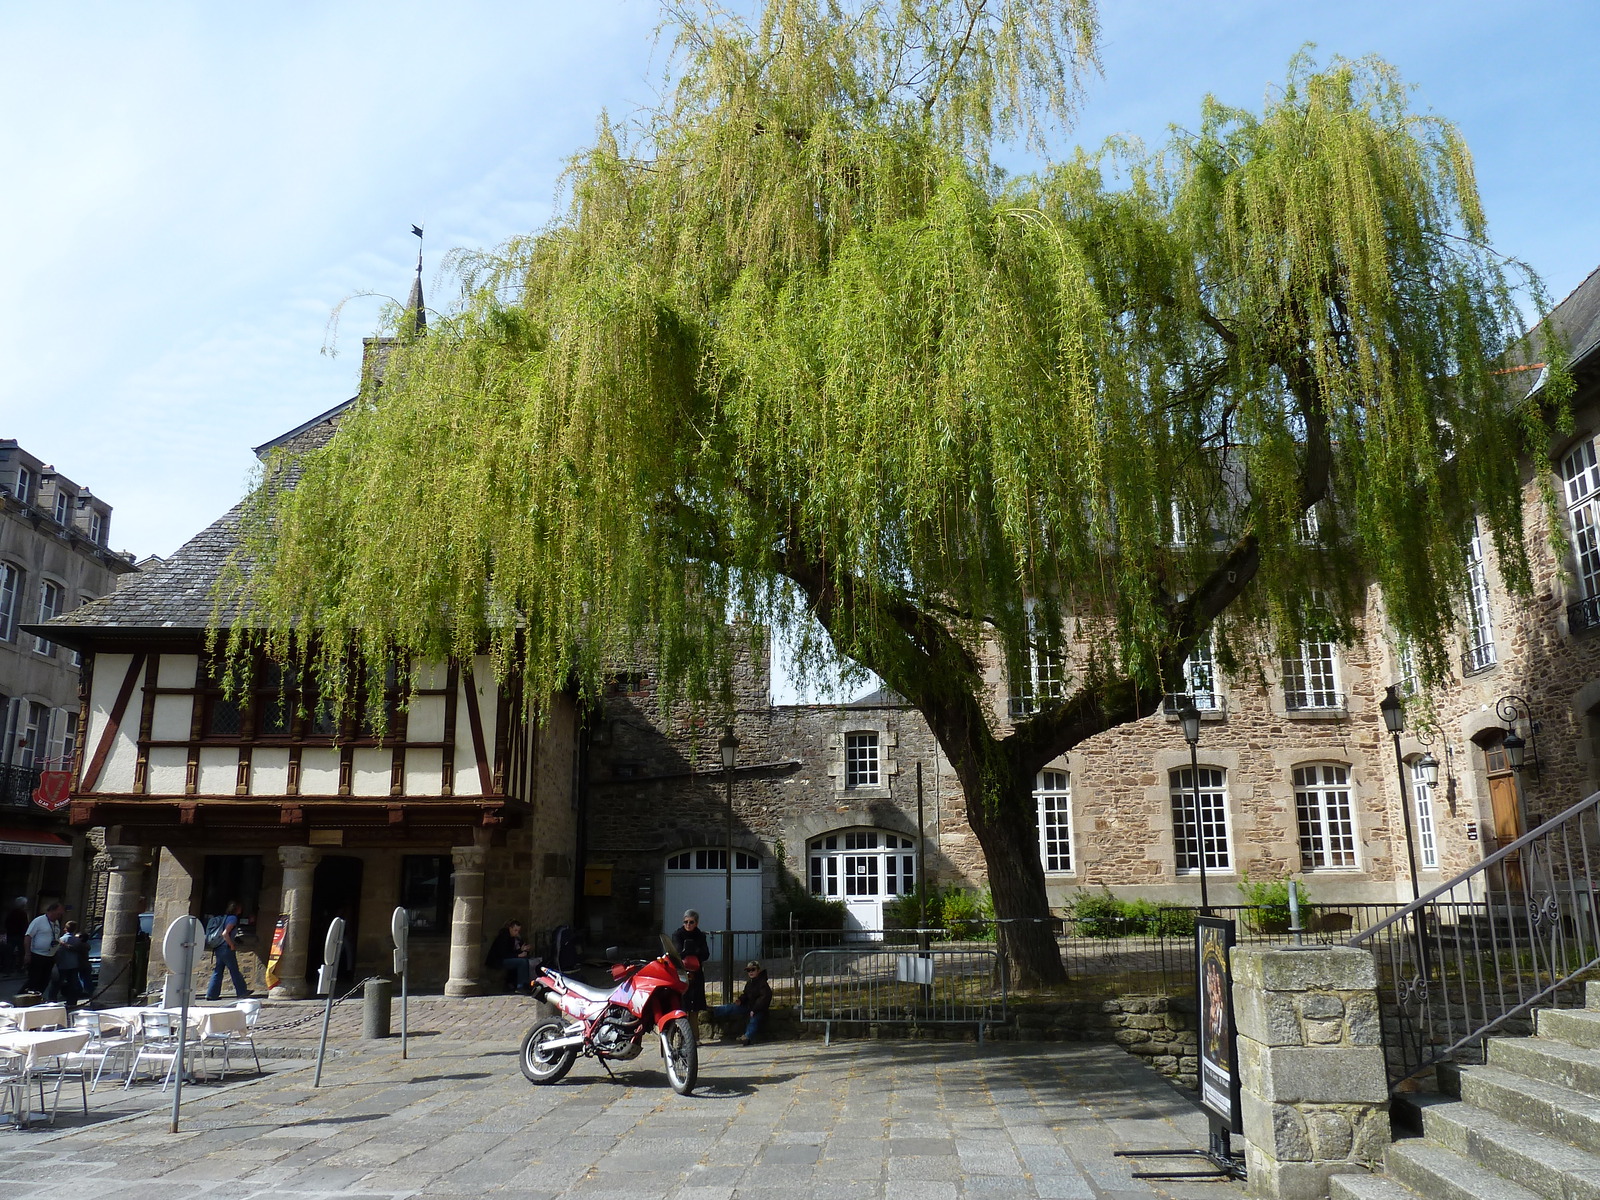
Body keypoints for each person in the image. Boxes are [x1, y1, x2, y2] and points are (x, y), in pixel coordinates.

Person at [710, 960, 772, 1046]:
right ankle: (715, 1011)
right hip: (749, 1006)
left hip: (759, 1010)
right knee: (731, 1007)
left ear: (758, 970)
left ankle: (747, 1037)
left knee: (753, 1021)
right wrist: (740, 1000)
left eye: (753, 970)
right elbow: (746, 994)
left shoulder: (762, 983)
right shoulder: (750, 982)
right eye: (748, 970)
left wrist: (754, 1009)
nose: (750, 972)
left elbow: (764, 999)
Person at [205, 900, 251, 1001]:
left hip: (218, 947)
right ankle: (242, 991)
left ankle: (212, 994)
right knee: (234, 970)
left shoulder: (225, 918)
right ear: (236, 909)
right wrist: (231, 945)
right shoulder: (233, 918)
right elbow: (225, 933)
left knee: (218, 970)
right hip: (226, 947)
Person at [670, 909, 710, 1012]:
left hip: (696, 971)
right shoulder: (678, 934)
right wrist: (689, 951)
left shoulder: (700, 935)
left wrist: (695, 951)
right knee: (682, 1001)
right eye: (686, 922)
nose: (688, 924)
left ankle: (693, 1024)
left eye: (691, 922)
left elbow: (705, 954)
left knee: (696, 1003)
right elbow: (677, 952)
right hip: (681, 971)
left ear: (696, 923)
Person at [23, 900, 63, 997]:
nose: (60, 915)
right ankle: (22, 998)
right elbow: (28, 936)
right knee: (34, 979)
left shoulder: (56, 922)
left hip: (50, 956)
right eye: (58, 913)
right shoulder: (39, 921)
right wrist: (27, 954)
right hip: (37, 955)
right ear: (52, 911)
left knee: (45, 980)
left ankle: (36, 998)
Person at [486, 919, 537, 991]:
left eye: (518, 931)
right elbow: (503, 954)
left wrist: (521, 950)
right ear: (510, 928)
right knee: (522, 962)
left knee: (524, 960)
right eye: (515, 930)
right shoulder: (503, 937)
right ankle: (521, 986)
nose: (516, 933)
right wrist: (518, 955)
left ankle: (519, 984)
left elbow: (511, 952)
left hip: (504, 958)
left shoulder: (512, 938)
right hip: (497, 960)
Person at [56, 920, 87, 1005]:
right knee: (73, 985)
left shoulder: (61, 940)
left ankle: (52, 1000)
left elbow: (57, 952)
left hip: (62, 965)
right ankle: (72, 1002)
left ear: (65, 929)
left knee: (57, 984)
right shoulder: (77, 941)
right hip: (74, 965)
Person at [3, 896, 27, 974]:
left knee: (9, 952)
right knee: (21, 953)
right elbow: (24, 925)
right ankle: (20, 968)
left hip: (11, 935)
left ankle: (7, 969)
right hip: (20, 936)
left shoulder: (11, 912)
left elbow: (6, 923)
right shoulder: (23, 913)